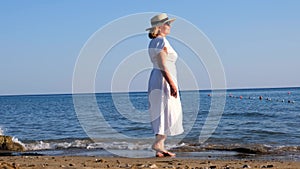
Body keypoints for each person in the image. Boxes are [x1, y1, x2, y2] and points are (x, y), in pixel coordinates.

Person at [146, 13, 184, 157]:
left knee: (162, 110)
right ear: (160, 27)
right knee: (167, 110)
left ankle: (160, 146)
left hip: (159, 77)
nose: (170, 26)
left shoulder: (156, 41)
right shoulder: (161, 41)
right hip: (163, 78)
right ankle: (158, 143)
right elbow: (162, 65)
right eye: (167, 23)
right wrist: (172, 83)